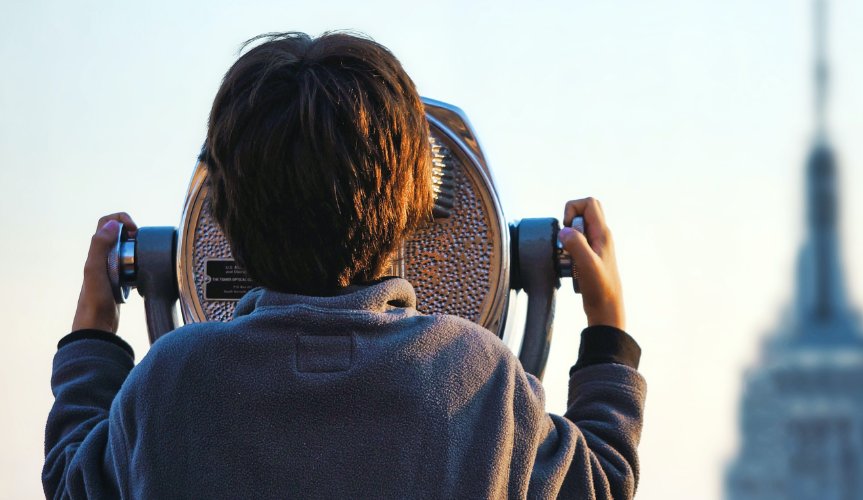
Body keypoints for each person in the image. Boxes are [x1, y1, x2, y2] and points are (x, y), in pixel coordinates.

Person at [43, 32, 644, 499]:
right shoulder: (479, 380)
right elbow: (602, 483)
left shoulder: (172, 383)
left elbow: (73, 484)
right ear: (414, 205)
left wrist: (93, 333)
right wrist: (607, 328)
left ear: (219, 215)